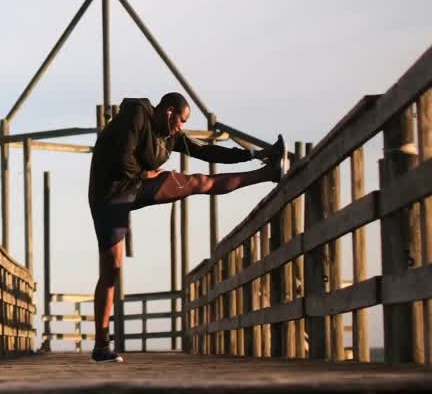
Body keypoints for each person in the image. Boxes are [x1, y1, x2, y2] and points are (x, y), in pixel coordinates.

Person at [86, 92, 288, 363]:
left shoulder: (171, 135)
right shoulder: (135, 116)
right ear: (168, 112)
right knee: (111, 269)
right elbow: (123, 161)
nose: (180, 128)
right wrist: (150, 173)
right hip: (107, 196)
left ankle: (269, 171)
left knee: (199, 182)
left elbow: (207, 151)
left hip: (134, 188)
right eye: (179, 121)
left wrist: (253, 154)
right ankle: (101, 346)